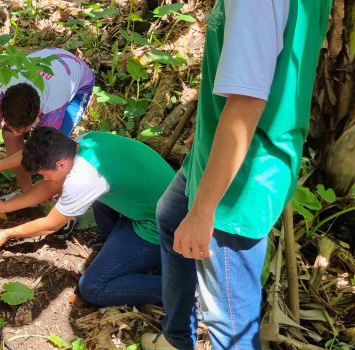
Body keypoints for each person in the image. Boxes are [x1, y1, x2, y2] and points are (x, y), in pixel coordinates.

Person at [140, 0, 332, 349]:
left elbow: (246, 103)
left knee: (230, 322)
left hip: (239, 174)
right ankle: (176, 337)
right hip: (230, 151)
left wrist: (203, 211)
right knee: (170, 216)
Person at [0, 127, 175, 306]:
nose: (44, 178)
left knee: (93, 287)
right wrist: (3, 205)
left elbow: (51, 224)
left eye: (44, 174)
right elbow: (51, 185)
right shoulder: (85, 141)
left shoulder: (84, 178)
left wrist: (7, 233)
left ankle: (183, 291)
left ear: (60, 164)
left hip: (162, 227)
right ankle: (117, 247)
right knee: (96, 194)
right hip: (155, 202)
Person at [0, 47, 95, 201]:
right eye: (13, 126)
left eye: (23, 129)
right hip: (48, 64)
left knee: (55, 153)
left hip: (76, 81)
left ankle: (63, 203)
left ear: (38, 115)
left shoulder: (52, 106)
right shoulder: (0, 91)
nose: (16, 132)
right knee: (8, 135)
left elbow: (40, 148)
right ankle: (27, 193)